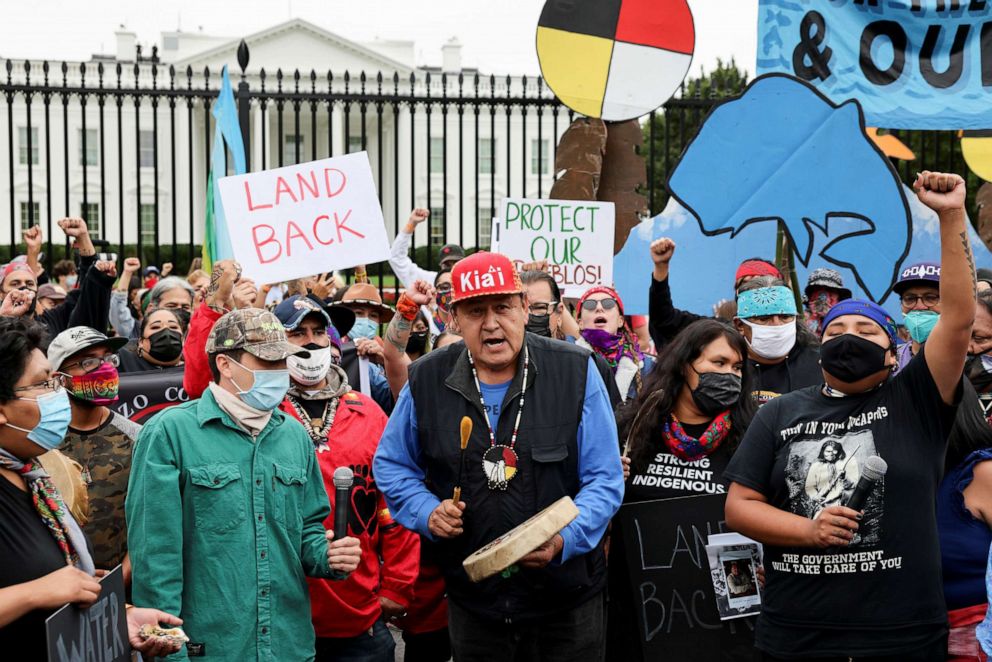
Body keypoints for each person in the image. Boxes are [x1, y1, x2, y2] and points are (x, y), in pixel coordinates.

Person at [724, 171, 974, 660]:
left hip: (900, 636)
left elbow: (959, 317)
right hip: (797, 634)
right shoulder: (782, 413)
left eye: (866, 329)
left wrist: (951, 216)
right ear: (820, 350)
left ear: (892, 352)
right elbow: (739, 506)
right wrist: (808, 531)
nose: (849, 335)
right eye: (837, 329)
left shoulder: (916, 400)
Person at [374, 251, 624, 662]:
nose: (491, 323)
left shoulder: (577, 370)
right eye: (475, 311)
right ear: (453, 318)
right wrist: (426, 512)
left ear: (525, 308)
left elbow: (604, 478)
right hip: (475, 607)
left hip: (567, 605)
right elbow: (393, 464)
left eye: (503, 307)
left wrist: (565, 539)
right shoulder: (427, 378)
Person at [127, 307, 363, 661]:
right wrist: (170, 649)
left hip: (288, 645)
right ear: (225, 364)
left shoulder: (294, 435)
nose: (279, 373)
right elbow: (155, 556)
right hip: (210, 648)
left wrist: (329, 555)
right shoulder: (169, 433)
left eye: (282, 362)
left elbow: (308, 530)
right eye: (267, 363)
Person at [0, 317, 185, 659]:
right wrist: (34, 592)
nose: (58, 394)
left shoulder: (34, 476)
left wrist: (120, 617)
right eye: (44, 384)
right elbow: (47, 587)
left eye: (56, 382)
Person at [271, 294, 419, 661]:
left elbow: (397, 499)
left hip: (360, 622)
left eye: (319, 331)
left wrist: (397, 586)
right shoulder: (260, 411)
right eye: (297, 332)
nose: (311, 341)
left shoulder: (368, 412)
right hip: (279, 620)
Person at [608, 318, 756, 659]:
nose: (730, 374)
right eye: (718, 363)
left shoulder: (753, 435)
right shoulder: (630, 429)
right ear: (684, 364)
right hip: (641, 610)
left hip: (727, 620)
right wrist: (609, 479)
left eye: (737, 368)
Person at [48, 327, 140, 573]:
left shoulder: (137, 438)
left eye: (109, 358)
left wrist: (118, 581)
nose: (105, 368)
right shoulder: (41, 442)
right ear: (60, 377)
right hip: (57, 589)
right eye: (88, 362)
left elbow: (149, 522)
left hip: (124, 590)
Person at [648, 235, 783, 349]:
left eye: (759, 281)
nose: (752, 288)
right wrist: (661, 268)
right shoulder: (722, 331)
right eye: (743, 284)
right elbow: (665, 320)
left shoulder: (796, 338)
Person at [1, 219, 114, 337]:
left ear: (36, 292)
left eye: (29, 284)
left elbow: (86, 296)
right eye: (15, 284)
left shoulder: (53, 321)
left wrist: (83, 237)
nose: (23, 289)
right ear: (1, 293)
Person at [733, 278, 821, 406]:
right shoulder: (729, 367)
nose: (777, 325)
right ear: (740, 325)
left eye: (785, 317)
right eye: (764, 318)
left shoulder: (820, 364)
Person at [575, 286, 654, 403]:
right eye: (589, 305)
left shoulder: (647, 368)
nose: (599, 308)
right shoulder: (568, 358)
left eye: (608, 304)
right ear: (580, 323)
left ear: (620, 321)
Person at [330, 283, 396, 414]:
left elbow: (394, 401)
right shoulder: (326, 348)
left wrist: (387, 363)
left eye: (373, 316)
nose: (366, 321)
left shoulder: (381, 353)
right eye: (359, 313)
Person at [893, 261, 942, 372]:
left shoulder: (968, 360)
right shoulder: (890, 360)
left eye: (930, 297)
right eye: (910, 299)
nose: (919, 306)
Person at [117, 308, 187, 373]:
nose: (166, 332)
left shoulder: (194, 368)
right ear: (141, 342)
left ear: (183, 339)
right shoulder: (120, 361)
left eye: (173, 327)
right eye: (156, 327)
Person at [803, 268, 852, 334]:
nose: (824, 296)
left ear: (839, 297)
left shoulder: (847, 322)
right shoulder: (798, 322)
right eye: (818, 289)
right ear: (811, 296)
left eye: (831, 290)